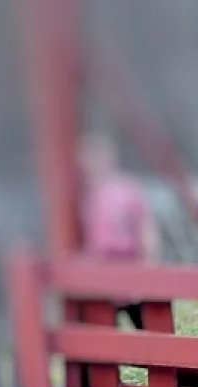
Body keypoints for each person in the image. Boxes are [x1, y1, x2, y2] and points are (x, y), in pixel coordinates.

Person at [78, 133, 157, 329]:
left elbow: (146, 227)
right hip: (98, 279)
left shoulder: (126, 189)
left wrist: (150, 267)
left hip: (130, 273)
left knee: (147, 334)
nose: (94, 161)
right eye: (89, 156)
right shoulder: (81, 194)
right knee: (100, 341)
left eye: (99, 154)